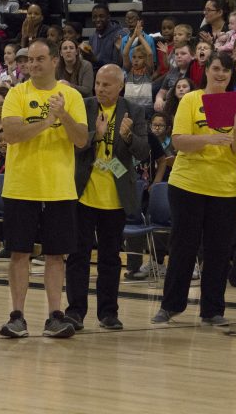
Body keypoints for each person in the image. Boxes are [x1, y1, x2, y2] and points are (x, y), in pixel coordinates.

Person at [0, 38, 88, 339]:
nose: (33, 65)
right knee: (19, 254)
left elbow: (81, 140)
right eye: (29, 60)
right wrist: (47, 121)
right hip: (20, 186)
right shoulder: (16, 94)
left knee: (55, 256)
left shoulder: (72, 97)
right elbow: (11, 134)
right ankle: (17, 316)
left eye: (39, 59)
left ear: (54, 61)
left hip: (59, 188)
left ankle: (55, 315)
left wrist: (62, 116)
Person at [152, 52, 236, 325]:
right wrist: (210, 138)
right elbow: (179, 142)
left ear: (231, 75)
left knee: (218, 251)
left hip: (227, 187)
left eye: (226, 71)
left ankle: (213, 310)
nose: (220, 74)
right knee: (183, 246)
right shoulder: (191, 100)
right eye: (216, 68)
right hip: (189, 184)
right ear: (207, 70)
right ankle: (170, 306)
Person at [65, 64, 149, 331]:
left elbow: (145, 151)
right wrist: (95, 136)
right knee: (78, 255)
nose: (100, 89)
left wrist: (127, 136)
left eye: (106, 85)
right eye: (98, 84)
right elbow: (72, 144)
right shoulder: (84, 106)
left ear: (120, 87)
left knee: (111, 258)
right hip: (83, 193)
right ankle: (75, 311)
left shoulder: (134, 112)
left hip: (116, 195)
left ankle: (108, 313)